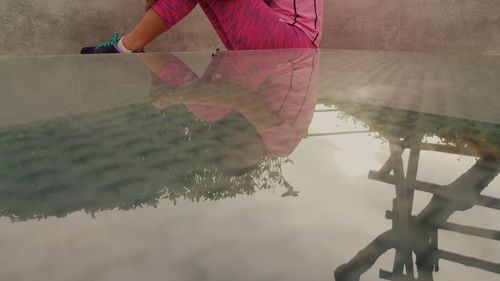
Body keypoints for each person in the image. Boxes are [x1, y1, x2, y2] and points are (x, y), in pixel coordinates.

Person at [81, 0, 323, 54]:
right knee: (209, 112)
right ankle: (130, 45)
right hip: (281, 37)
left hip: (295, 40)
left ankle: (128, 46)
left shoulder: (278, 144)